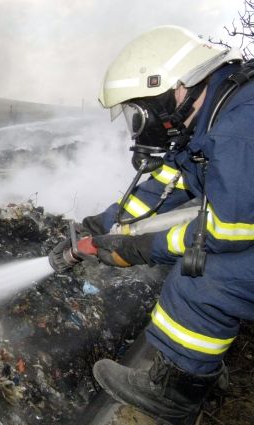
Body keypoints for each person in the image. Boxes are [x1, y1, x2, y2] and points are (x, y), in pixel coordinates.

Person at [50, 26, 254, 425]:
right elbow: (168, 182)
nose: (139, 122)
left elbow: (229, 230)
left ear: (175, 91)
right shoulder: (214, 113)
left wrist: (144, 247)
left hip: (238, 231)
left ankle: (176, 392)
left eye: (140, 108)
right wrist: (103, 224)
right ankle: (203, 368)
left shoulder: (236, 127)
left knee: (202, 277)